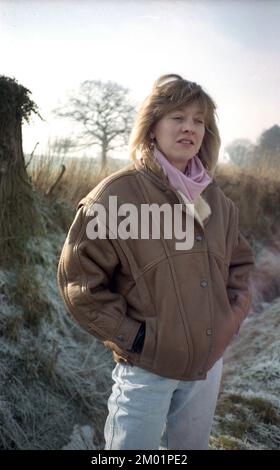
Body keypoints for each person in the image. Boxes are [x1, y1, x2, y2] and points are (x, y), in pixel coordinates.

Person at [57, 74, 255, 450]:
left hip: (206, 368)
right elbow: (79, 282)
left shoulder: (218, 202)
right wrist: (136, 338)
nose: (189, 127)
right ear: (152, 126)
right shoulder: (116, 196)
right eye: (178, 116)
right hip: (147, 369)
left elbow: (240, 269)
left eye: (199, 120)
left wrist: (226, 322)